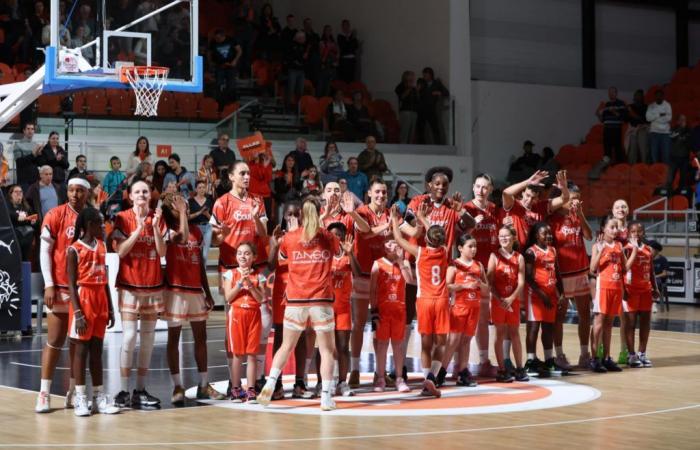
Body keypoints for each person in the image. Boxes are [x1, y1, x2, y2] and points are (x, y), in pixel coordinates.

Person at [257, 197, 342, 411]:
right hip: (321, 300)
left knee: (286, 346)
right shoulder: (328, 237)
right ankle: (325, 397)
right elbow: (339, 252)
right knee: (327, 350)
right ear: (319, 212)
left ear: (301, 216)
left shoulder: (290, 238)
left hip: (295, 300)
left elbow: (280, 259)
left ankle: (269, 385)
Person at [159, 192, 224, 404]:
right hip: (175, 289)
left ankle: (204, 385)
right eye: (178, 203)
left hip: (195, 289)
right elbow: (183, 237)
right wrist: (182, 213)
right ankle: (177, 385)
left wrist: (206, 290)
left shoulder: (197, 230)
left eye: (184, 202)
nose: (183, 204)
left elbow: (199, 264)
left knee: (201, 337)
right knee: (174, 339)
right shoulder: (167, 230)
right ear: (172, 209)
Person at [35, 176, 90, 413]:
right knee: (55, 341)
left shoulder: (92, 218)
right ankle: (44, 394)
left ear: (87, 194)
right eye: (71, 190)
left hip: (84, 289)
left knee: (79, 344)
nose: (74, 194)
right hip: (59, 286)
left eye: (79, 191)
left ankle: (73, 393)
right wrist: (48, 284)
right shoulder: (55, 215)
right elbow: (45, 250)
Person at [110, 180, 167, 408]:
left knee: (148, 340)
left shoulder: (158, 217)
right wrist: (138, 228)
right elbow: (121, 251)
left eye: (145, 191)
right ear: (130, 195)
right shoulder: (122, 218)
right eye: (137, 191)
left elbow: (162, 251)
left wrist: (152, 227)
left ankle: (140, 390)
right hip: (130, 284)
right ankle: (123, 390)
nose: (142, 194)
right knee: (130, 337)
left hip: (153, 284)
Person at [65, 207, 120, 416]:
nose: (103, 226)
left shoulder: (102, 246)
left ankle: (98, 397)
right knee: (81, 350)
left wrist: (111, 308)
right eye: (100, 223)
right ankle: (80, 397)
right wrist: (78, 313)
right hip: (83, 298)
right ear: (89, 225)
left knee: (97, 350)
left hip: (100, 299)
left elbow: (104, 279)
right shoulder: (74, 249)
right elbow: (71, 284)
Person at [391, 204, 448, 397]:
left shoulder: (420, 252)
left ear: (427, 238)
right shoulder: (445, 251)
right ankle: (431, 377)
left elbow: (398, 238)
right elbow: (436, 235)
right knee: (441, 343)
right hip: (440, 300)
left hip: (424, 300)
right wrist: (425, 218)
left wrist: (393, 219)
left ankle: (426, 381)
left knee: (426, 343)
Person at [267, 202, 314, 400]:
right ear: (283, 216)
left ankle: (300, 382)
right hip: (281, 292)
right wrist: (274, 245)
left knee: (301, 335)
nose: (292, 217)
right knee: (280, 336)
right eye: (289, 214)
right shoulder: (278, 237)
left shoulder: (306, 237)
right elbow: (270, 265)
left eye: (296, 214)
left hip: (301, 291)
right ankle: (276, 384)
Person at [547, 183, 594, 369]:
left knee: (585, 314)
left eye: (578, 198)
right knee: (559, 317)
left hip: (580, 272)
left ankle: (584, 355)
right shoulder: (551, 220)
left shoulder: (577, 217)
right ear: (563, 199)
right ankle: (559, 355)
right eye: (573, 198)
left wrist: (580, 213)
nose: (576, 201)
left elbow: (589, 236)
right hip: (562, 275)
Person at [589, 215, 637, 373]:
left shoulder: (618, 245)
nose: (615, 230)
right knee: (598, 324)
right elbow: (592, 268)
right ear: (603, 228)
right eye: (612, 227)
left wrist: (635, 250)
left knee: (609, 324)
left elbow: (625, 268)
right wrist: (602, 249)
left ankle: (607, 357)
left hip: (616, 289)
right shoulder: (597, 245)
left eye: (616, 227)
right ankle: (594, 358)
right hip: (603, 288)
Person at [463, 173, 500, 377]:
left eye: (485, 187)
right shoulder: (466, 209)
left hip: (492, 270)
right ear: (473, 187)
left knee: (489, 318)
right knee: (473, 317)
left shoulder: (495, 210)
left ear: (491, 189)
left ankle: (489, 360)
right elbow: (459, 237)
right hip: (472, 270)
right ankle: (469, 361)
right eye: (477, 186)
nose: (480, 190)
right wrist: (471, 225)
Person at [440, 234, 488, 386]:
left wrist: (480, 284)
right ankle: (441, 372)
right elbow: (447, 286)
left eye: (475, 246)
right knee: (453, 340)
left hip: (474, 307)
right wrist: (465, 286)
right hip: (459, 307)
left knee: (467, 340)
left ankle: (462, 372)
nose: (474, 249)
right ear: (460, 248)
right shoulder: (454, 265)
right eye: (470, 246)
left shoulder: (479, 265)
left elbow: (487, 289)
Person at [222, 241, 266, 403]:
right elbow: (228, 297)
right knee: (238, 354)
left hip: (254, 315)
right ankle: (235, 389)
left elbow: (261, 298)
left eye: (247, 253)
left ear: (254, 257)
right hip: (237, 315)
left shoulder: (259, 275)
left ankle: (251, 389)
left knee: (252, 354)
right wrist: (240, 284)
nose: (243, 256)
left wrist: (251, 286)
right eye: (239, 253)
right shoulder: (230, 274)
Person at [523, 222, 566, 378]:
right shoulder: (530, 252)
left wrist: (562, 293)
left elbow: (558, 273)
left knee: (548, 328)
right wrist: (542, 294)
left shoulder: (553, 250)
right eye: (544, 233)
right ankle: (530, 361)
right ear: (536, 235)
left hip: (551, 295)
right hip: (535, 296)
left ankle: (549, 360)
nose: (548, 236)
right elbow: (528, 277)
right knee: (533, 328)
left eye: (549, 233)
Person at [370, 238, 413, 393]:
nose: (393, 245)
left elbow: (409, 281)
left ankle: (399, 378)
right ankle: (380, 378)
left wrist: (401, 262)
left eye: (395, 242)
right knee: (381, 345)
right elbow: (372, 289)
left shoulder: (404, 264)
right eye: (389, 243)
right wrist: (373, 311)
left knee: (398, 345)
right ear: (384, 247)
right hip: (382, 311)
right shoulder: (377, 264)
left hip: (399, 310)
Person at [488, 225, 528, 382]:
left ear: (513, 238)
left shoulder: (519, 257)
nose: (503, 238)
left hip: (513, 300)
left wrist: (511, 299)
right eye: (500, 236)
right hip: (498, 301)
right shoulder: (494, 256)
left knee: (514, 333)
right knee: (499, 333)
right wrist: (500, 300)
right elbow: (490, 282)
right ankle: (502, 369)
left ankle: (519, 368)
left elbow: (521, 282)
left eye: (506, 235)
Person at [328, 222, 361, 396]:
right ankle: (324, 381)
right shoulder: (324, 255)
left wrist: (350, 254)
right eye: (332, 234)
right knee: (326, 347)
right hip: (325, 308)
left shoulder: (348, 255)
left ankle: (342, 382)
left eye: (339, 235)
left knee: (342, 347)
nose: (336, 237)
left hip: (343, 308)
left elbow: (357, 272)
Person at [501, 170, 569, 249]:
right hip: (515, 252)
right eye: (527, 195)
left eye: (533, 198)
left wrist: (564, 188)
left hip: (534, 254)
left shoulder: (541, 207)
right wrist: (527, 182)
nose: (529, 200)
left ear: (538, 198)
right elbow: (506, 193)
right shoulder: (514, 205)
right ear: (522, 193)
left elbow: (565, 199)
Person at [622, 221, 657, 368]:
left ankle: (642, 353)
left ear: (644, 232)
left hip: (646, 290)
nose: (637, 234)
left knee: (645, 323)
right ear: (629, 232)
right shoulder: (626, 248)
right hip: (631, 289)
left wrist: (655, 286)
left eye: (640, 231)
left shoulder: (648, 249)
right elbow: (621, 269)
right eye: (633, 231)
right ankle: (631, 355)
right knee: (630, 324)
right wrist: (623, 289)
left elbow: (651, 270)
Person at [416, 67, 449, 145]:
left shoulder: (437, 83)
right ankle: (421, 144)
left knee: (435, 128)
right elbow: (418, 93)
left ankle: (438, 144)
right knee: (420, 128)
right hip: (421, 108)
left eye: (426, 75)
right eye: (423, 75)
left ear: (431, 75)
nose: (424, 77)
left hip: (432, 108)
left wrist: (438, 92)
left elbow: (446, 93)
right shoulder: (421, 82)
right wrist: (418, 89)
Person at [5, 184, 37, 261]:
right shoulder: (7, 206)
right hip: (13, 238)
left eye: (21, 192)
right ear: (11, 194)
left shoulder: (26, 206)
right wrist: (17, 217)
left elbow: (32, 219)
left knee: (25, 258)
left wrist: (33, 222)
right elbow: (7, 214)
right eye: (16, 192)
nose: (19, 193)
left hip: (26, 239)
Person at [596, 86, 627, 165]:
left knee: (617, 150)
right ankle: (606, 167)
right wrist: (598, 115)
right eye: (609, 92)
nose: (610, 94)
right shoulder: (606, 104)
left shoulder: (621, 103)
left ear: (616, 93)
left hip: (616, 129)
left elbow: (623, 118)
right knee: (607, 150)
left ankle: (619, 167)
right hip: (607, 129)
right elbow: (603, 120)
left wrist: (614, 112)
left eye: (612, 92)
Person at [209, 28, 242, 101]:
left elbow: (239, 51)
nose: (217, 40)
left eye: (218, 38)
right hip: (220, 65)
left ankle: (230, 99)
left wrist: (235, 61)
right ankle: (218, 99)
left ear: (223, 36)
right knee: (218, 83)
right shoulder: (213, 42)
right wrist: (211, 62)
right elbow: (210, 53)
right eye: (215, 38)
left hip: (230, 65)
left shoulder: (231, 40)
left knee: (231, 84)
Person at [646, 89, 673, 164]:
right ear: (655, 97)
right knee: (654, 155)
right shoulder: (651, 106)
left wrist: (655, 118)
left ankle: (666, 173)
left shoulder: (667, 105)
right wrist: (659, 115)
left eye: (660, 96)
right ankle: (655, 172)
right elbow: (648, 118)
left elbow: (669, 118)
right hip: (654, 132)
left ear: (663, 96)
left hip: (665, 133)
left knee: (666, 155)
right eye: (657, 96)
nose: (658, 97)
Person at [189, 180, 214, 258]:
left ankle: (204, 270)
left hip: (207, 227)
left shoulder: (210, 201)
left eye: (203, 187)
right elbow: (187, 217)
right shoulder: (190, 201)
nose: (202, 189)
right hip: (194, 227)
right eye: (199, 188)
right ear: (196, 189)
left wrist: (207, 214)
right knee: (194, 252)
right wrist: (199, 212)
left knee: (205, 254)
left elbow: (213, 219)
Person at [13, 122, 42, 190]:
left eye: (32, 129)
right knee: (25, 200)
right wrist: (33, 154)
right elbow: (19, 162)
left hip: (35, 180)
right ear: (24, 131)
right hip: (24, 181)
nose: (30, 131)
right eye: (28, 129)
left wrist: (40, 155)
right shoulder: (18, 145)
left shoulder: (36, 145)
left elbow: (39, 163)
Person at [666, 114, 691, 194]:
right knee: (670, 179)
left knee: (683, 178)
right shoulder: (674, 129)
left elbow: (687, 140)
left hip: (684, 158)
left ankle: (680, 196)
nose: (683, 122)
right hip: (674, 157)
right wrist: (680, 130)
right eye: (681, 120)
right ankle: (669, 194)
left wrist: (681, 135)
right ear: (678, 121)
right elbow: (672, 136)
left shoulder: (688, 130)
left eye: (684, 120)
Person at [626, 89, 649, 164]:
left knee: (642, 139)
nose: (638, 97)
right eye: (636, 95)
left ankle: (644, 164)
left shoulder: (646, 107)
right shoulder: (630, 106)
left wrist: (634, 115)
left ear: (642, 97)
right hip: (633, 129)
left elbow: (645, 120)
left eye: (640, 96)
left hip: (643, 128)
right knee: (632, 143)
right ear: (634, 97)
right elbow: (626, 119)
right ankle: (632, 166)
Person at [248, 152, 273, 219]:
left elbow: (268, 178)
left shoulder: (267, 163)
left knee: (266, 218)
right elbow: (258, 175)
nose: (255, 152)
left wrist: (265, 165)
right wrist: (263, 166)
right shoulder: (250, 164)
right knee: (254, 218)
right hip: (253, 195)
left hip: (265, 195)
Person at [395, 71, 419, 144]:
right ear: (406, 77)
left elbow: (417, 99)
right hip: (405, 112)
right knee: (404, 133)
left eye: (413, 76)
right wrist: (409, 88)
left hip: (414, 111)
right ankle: (402, 148)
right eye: (411, 76)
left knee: (411, 134)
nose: (412, 78)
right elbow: (402, 97)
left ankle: (409, 148)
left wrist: (417, 91)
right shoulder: (401, 86)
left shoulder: (414, 88)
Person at [286, 31, 307, 109]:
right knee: (291, 89)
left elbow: (305, 59)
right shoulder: (292, 45)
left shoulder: (304, 47)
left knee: (300, 91)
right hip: (293, 70)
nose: (304, 39)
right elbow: (292, 57)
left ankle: (298, 108)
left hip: (301, 70)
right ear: (299, 38)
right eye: (303, 38)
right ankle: (288, 106)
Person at [317, 25, 338, 97]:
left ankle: (326, 103)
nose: (328, 32)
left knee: (329, 88)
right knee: (321, 87)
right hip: (324, 66)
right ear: (324, 31)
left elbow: (336, 53)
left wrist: (336, 61)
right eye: (327, 30)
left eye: (330, 30)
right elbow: (321, 54)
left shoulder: (333, 41)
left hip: (332, 67)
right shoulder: (321, 42)